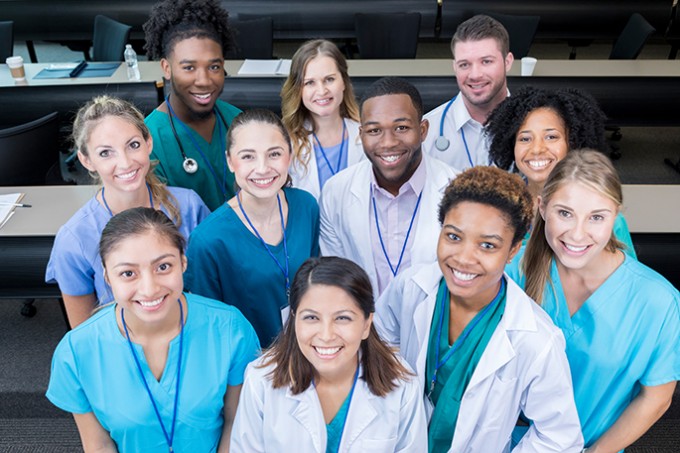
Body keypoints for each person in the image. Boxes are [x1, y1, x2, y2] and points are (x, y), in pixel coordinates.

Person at [376, 166, 583, 452]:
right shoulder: (410, 287)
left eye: (487, 245)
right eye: (453, 237)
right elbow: (380, 345)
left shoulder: (536, 339)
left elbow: (559, 438)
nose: (463, 258)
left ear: (512, 251)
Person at [47, 207, 260, 452]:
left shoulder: (231, 329)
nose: (149, 289)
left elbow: (236, 424)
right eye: (128, 273)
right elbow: (99, 445)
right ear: (107, 277)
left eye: (163, 267)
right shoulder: (76, 352)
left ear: (183, 262)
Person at [507, 150, 679, 452]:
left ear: (616, 215)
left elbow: (656, 398)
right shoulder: (512, 272)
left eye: (596, 217)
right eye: (564, 213)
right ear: (542, 207)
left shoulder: (658, 302)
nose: (577, 234)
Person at [230, 256, 427, 452]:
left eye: (342, 318)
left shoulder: (402, 385)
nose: (326, 335)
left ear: (367, 324)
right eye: (311, 317)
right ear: (294, 319)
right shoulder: (260, 380)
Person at [46, 96, 210, 328]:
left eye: (133, 145)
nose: (124, 163)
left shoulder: (190, 206)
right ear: (86, 160)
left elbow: (212, 287)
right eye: (105, 153)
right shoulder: (74, 239)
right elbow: (83, 332)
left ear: (148, 143)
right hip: (125, 352)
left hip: (194, 332)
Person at [184, 109, 320, 347]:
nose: (263, 168)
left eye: (274, 154)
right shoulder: (208, 241)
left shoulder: (305, 206)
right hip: (251, 368)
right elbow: (207, 329)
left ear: (289, 154)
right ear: (230, 161)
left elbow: (317, 284)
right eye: (248, 156)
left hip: (309, 352)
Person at [320, 77, 457, 297]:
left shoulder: (458, 190)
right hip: (365, 326)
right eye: (374, 131)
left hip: (435, 325)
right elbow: (336, 277)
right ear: (361, 134)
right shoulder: (336, 192)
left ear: (423, 130)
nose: (388, 143)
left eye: (401, 127)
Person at [485, 85, 637, 256]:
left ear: (572, 142)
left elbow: (626, 276)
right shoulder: (500, 206)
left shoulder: (602, 212)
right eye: (525, 138)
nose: (536, 149)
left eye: (551, 137)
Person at [143, 0, 242, 211]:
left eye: (214, 66)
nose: (204, 80)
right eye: (189, 67)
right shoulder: (148, 142)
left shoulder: (237, 120)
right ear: (166, 68)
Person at [422, 14, 513, 170]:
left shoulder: (536, 124)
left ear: (507, 62)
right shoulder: (427, 133)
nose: (475, 75)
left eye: (486, 62)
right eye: (464, 65)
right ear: (454, 67)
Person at [281, 39, 365, 200]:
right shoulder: (285, 142)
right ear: (298, 90)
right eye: (310, 83)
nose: (321, 91)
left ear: (344, 82)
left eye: (329, 79)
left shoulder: (366, 135)